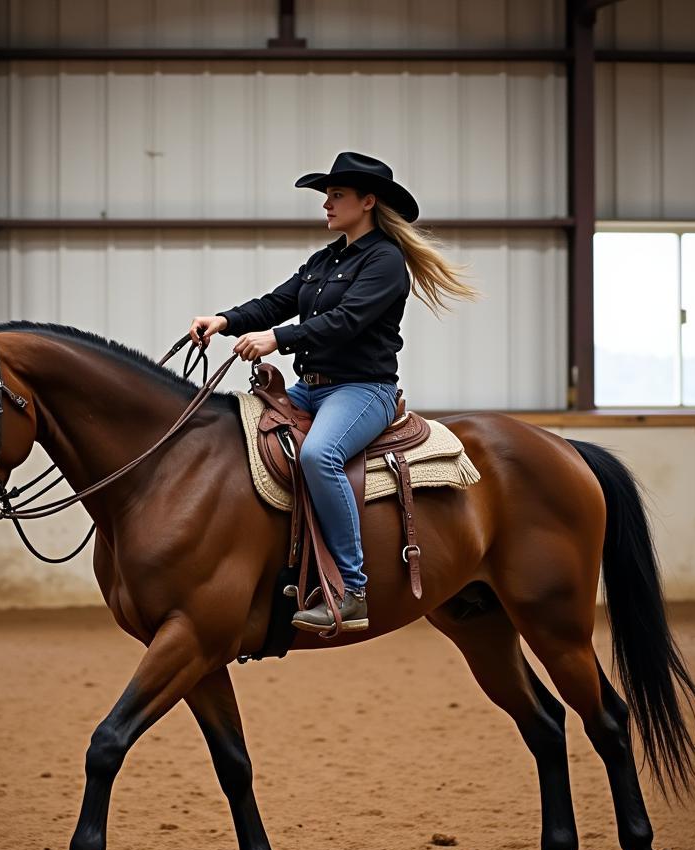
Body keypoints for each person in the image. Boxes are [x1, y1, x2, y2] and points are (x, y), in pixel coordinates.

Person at [189, 151, 478, 632]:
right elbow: (277, 302)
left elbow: (345, 323)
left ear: (367, 201)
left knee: (319, 456)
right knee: (233, 431)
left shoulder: (386, 262)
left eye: (336, 195)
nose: (326, 204)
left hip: (363, 390)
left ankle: (351, 589)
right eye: (327, 195)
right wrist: (224, 321)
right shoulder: (326, 259)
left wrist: (277, 339)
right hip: (310, 389)